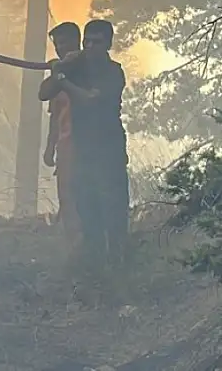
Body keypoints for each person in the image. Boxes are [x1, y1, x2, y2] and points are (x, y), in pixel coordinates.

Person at [44, 19, 129, 265]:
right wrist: (60, 69)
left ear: (109, 44)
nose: (90, 46)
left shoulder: (113, 72)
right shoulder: (76, 68)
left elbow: (91, 99)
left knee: (112, 203)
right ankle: (92, 260)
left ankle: (119, 259)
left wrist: (63, 79)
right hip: (83, 149)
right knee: (85, 202)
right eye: (87, 41)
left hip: (109, 147)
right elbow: (44, 92)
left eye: (97, 41)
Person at [38, 22, 81, 241]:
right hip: (65, 147)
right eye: (56, 45)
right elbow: (49, 104)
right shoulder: (58, 74)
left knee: (84, 197)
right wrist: (49, 147)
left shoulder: (88, 67)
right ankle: (73, 246)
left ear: (77, 40)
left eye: (64, 42)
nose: (60, 48)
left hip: (88, 145)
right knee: (67, 197)